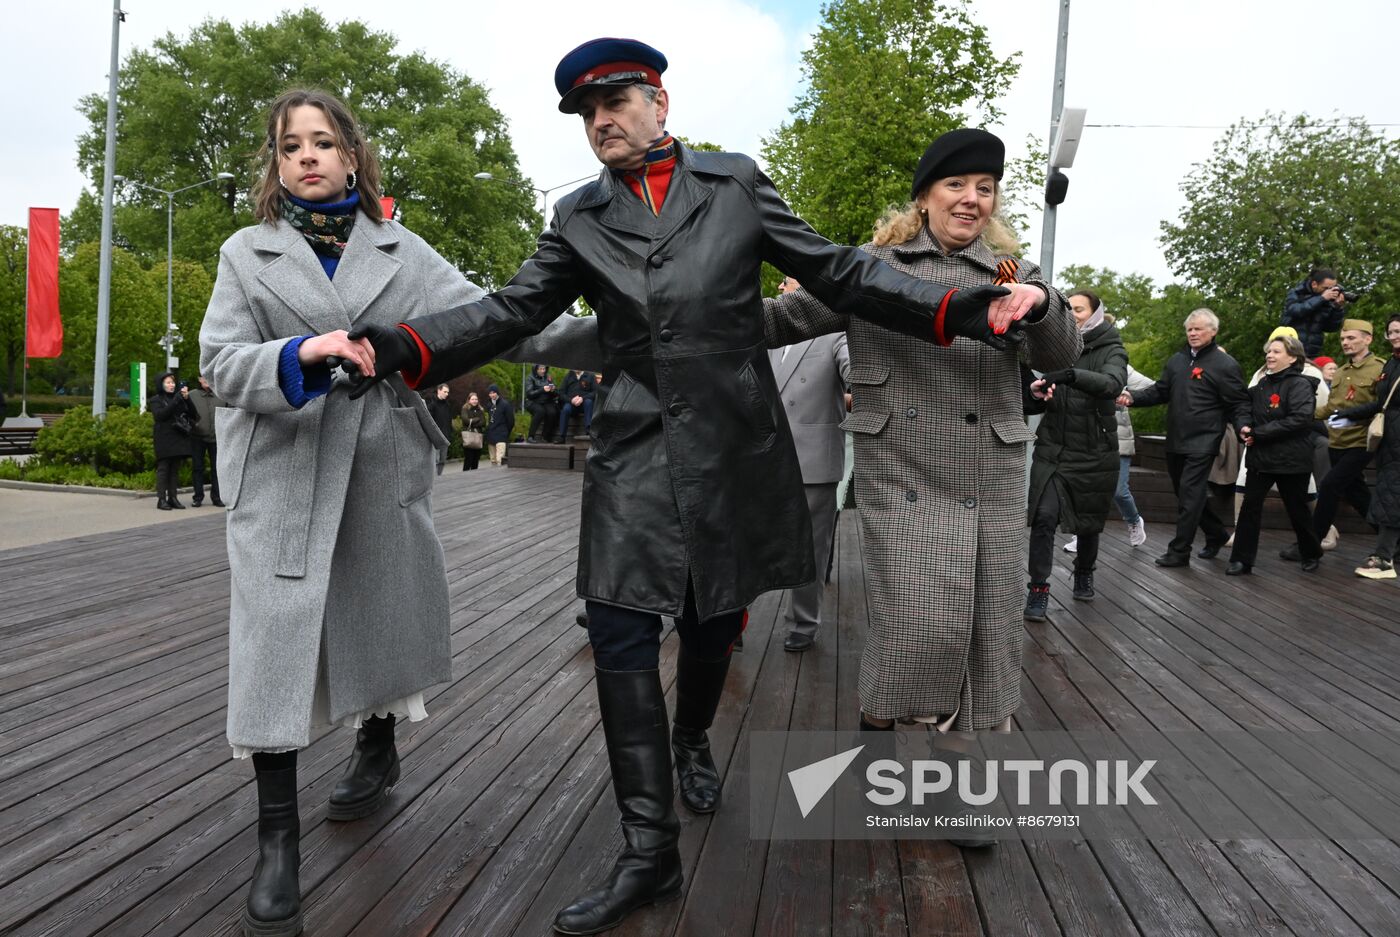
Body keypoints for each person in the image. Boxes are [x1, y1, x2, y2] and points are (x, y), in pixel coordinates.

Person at [340, 40, 1025, 935]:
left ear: (660, 101)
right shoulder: (577, 215)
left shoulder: (736, 185)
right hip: (633, 446)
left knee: (710, 622)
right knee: (620, 629)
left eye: (615, 101)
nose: (601, 122)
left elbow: (838, 271)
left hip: (735, 443)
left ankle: (692, 733)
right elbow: (513, 310)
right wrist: (401, 343)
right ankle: (647, 850)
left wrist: (965, 306)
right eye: (586, 113)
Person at [198, 89, 474, 937]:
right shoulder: (247, 253)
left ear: (353, 156)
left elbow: (493, 319)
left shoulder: (403, 250)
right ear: (277, 165)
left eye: (323, 142)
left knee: (382, 613)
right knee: (273, 645)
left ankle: (378, 742)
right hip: (282, 470)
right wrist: (300, 352)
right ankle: (277, 841)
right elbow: (218, 362)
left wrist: (615, 321)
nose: (308, 156)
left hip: (378, 461)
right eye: (291, 146)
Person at [761, 127, 1078, 850]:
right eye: (957, 185)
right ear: (926, 195)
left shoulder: (1010, 269)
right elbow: (784, 319)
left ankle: (951, 789)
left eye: (985, 188)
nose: (972, 199)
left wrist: (1042, 303)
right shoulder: (871, 268)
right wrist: (688, 318)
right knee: (920, 626)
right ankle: (879, 744)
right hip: (901, 469)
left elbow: (1062, 354)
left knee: (981, 638)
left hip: (990, 476)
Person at [1023, 289, 1127, 616]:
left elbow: (1112, 384)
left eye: (1079, 308)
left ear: (1096, 313)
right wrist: (1040, 393)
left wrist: (1071, 375)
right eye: (1068, 307)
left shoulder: (1112, 348)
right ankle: (1038, 588)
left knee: (1088, 521)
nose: (1072, 313)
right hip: (1054, 447)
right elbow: (1033, 391)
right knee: (1042, 517)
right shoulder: (1052, 344)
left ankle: (1084, 571)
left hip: (1095, 449)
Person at [1121, 309, 1249, 567]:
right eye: (1189, 329)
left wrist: (1244, 426)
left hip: (1204, 440)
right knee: (1187, 495)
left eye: (1199, 329)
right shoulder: (1178, 361)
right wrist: (1133, 398)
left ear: (1213, 331)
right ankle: (1216, 534)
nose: (1192, 333)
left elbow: (1239, 403)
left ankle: (1179, 551)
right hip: (1176, 438)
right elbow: (1160, 391)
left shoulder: (1225, 365)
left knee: (1190, 495)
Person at [768, 288, 850, 651]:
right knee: (746, 543)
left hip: (813, 463)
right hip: (763, 460)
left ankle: (803, 624)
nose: (783, 290)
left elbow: (857, 372)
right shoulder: (768, 336)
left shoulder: (835, 333)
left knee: (811, 550)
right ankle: (733, 621)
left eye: (789, 283)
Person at [1281, 318, 1387, 561]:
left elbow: (1381, 405)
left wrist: (1352, 417)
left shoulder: (1380, 369)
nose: (1345, 342)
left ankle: (1309, 545)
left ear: (1367, 339)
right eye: (1342, 338)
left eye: (1351, 338)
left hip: (1362, 441)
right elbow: (1331, 407)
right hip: (1337, 441)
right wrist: (1301, 416)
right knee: (1358, 495)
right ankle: (1392, 541)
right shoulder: (1341, 371)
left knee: (1329, 486)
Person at [1222, 326, 1328, 549]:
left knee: (1297, 509)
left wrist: (1257, 433)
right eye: (1269, 351)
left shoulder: (1302, 384)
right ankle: (1242, 559)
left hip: (1291, 458)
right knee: (1250, 507)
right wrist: (1243, 427)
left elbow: (1299, 419)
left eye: (1276, 352)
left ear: (1292, 358)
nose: (1269, 355)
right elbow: (1242, 406)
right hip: (1261, 458)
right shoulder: (1261, 384)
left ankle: (1310, 552)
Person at [1333, 314, 1400, 579]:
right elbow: (1382, 403)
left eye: (1398, 331)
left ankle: (1383, 559)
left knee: (1390, 497)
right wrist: (1348, 415)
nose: (1394, 336)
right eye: (1391, 332)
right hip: (1389, 443)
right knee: (1389, 496)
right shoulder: (1392, 364)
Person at [149, 372, 197, 510]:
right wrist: (176, 400)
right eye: (168, 382)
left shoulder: (179, 398)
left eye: (173, 383)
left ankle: (173, 497)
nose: (172, 385)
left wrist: (187, 399)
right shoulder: (156, 400)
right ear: (161, 384)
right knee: (163, 469)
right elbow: (160, 416)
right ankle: (161, 499)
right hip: (163, 438)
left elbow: (194, 415)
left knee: (175, 469)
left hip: (178, 437)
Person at [1282, 265, 1347, 359]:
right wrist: (1321, 298)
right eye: (1326, 288)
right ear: (1314, 284)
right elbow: (1296, 310)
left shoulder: (1328, 300)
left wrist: (1337, 308)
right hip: (1290, 349)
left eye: (1333, 288)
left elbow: (1331, 328)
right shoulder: (1297, 293)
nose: (1331, 291)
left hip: (1312, 353)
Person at [188, 374, 226, 507]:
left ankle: (217, 497)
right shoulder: (192, 395)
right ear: (199, 379)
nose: (206, 381)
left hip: (217, 437)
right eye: (203, 377)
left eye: (209, 377)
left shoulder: (221, 394)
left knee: (217, 468)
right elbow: (186, 413)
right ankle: (198, 497)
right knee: (198, 467)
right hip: (197, 437)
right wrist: (193, 425)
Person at [525, 364, 562, 442]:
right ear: (536, 369)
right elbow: (529, 394)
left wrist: (553, 390)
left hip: (547, 401)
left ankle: (545, 437)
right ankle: (530, 436)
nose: (543, 371)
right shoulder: (530, 378)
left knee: (552, 412)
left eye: (544, 369)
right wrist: (542, 389)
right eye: (540, 369)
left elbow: (556, 392)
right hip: (533, 402)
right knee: (540, 411)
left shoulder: (548, 377)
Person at [424, 383, 455, 475]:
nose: (447, 394)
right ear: (439, 390)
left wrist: (449, 435)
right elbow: (429, 421)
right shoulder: (431, 405)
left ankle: (439, 477)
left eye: (448, 392)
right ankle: (434, 479)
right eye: (445, 392)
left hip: (445, 437)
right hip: (435, 438)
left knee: (442, 460)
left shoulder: (447, 405)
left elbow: (449, 421)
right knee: (435, 460)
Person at [557, 368, 595, 440]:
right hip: (571, 403)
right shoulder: (568, 376)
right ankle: (562, 436)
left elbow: (595, 392)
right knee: (565, 410)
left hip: (584, 404)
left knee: (589, 402)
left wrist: (582, 398)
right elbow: (561, 393)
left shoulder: (590, 376)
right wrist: (571, 400)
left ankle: (588, 430)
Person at [483, 384, 514, 466]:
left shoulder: (505, 404)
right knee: (493, 461)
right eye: (490, 393)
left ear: (497, 393)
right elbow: (489, 420)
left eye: (493, 392)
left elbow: (511, 421)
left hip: (501, 435)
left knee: (500, 461)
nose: (492, 395)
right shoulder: (489, 405)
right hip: (491, 436)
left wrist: (506, 432)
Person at [460, 391, 487, 470]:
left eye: (476, 399)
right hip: (468, 437)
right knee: (468, 459)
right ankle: (465, 476)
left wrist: (473, 423)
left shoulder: (480, 410)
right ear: (469, 400)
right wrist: (477, 419)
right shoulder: (465, 409)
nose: (475, 401)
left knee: (476, 460)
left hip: (478, 437)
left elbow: (484, 422)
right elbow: (466, 421)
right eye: (472, 399)